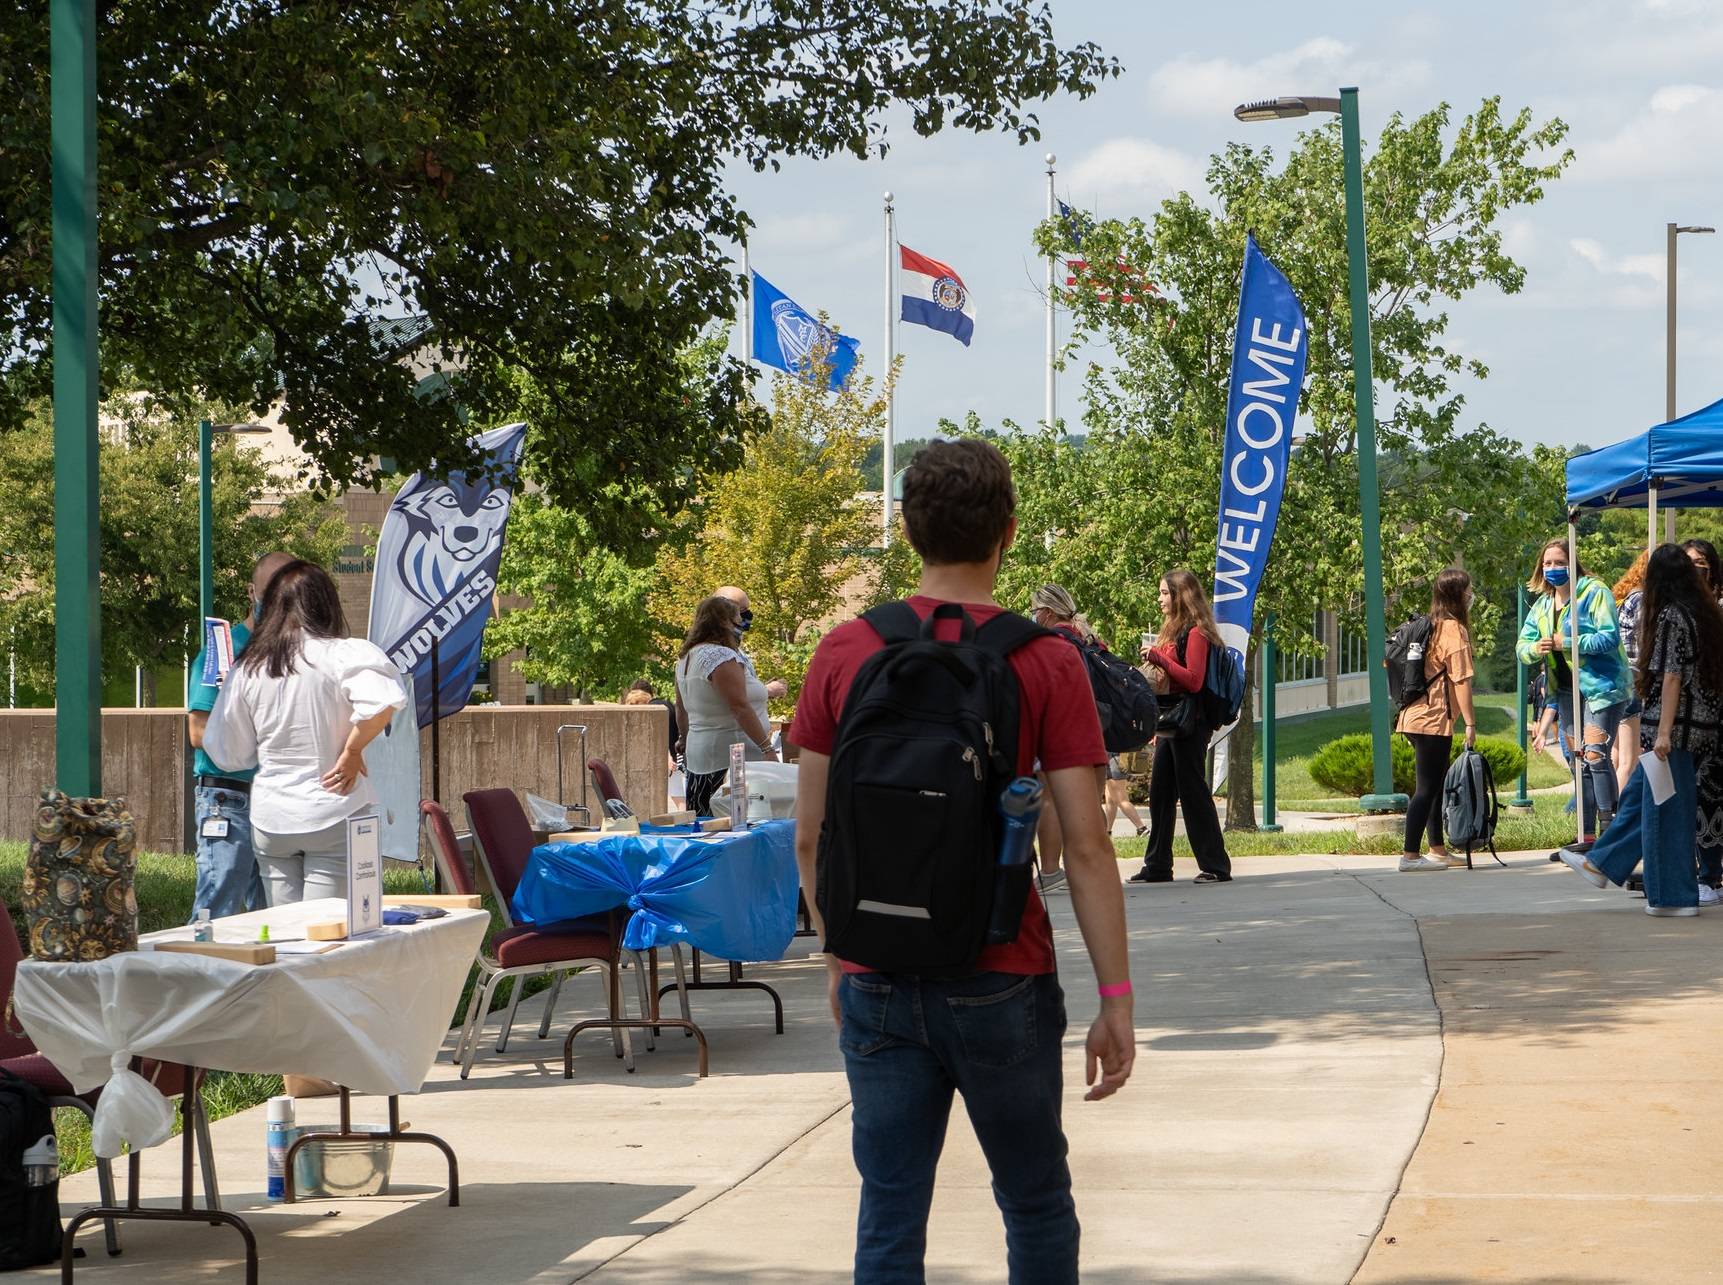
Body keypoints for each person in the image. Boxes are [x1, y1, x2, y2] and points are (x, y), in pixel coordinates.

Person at [789, 439, 1133, 1284]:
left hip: (876, 973)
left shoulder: (843, 651)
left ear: (908, 532)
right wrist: (1115, 999)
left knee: (890, 1212)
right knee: (1034, 1201)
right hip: (1001, 972)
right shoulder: (1044, 660)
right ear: (1007, 533)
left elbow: (810, 834)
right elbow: (1087, 848)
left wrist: (839, 951)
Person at [203, 561, 407, 906]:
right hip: (334, 808)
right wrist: (351, 751)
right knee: (330, 932)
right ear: (326, 602)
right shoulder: (342, 654)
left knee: (287, 934)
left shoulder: (249, 668)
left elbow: (228, 753)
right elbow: (383, 702)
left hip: (271, 816)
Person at [1560, 543, 1723, 915]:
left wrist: (1663, 732)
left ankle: (1673, 896)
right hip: (1699, 727)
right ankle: (1603, 863)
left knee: (1665, 811)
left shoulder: (1670, 617)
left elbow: (1671, 677)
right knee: (1639, 795)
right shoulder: (1705, 615)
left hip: (1671, 731)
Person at [185, 550, 294, 919]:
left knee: (272, 913)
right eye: (271, 594)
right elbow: (198, 731)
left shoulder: (293, 653)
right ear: (251, 592)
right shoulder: (222, 651)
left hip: (273, 798)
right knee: (218, 904)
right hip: (227, 796)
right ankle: (197, 972)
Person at [1516, 538, 1631, 844]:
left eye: (1559, 562)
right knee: (1577, 760)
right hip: (1564, 691)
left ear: (1573, 563)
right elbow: (1522, 647)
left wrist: (1564, 642)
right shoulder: (1542, 604)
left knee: (1595, 755)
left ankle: (1611, 832)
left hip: (1601, 688)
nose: (1553, 568)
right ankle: (1586, 836)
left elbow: (1608, 638)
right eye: (1548, 563)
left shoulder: (1594, 592)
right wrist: (1534, 647)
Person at [1127, 571, 1231, 885]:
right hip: (1170, 722)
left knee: (1193, 791)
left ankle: (1215, 865)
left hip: (1191, 723)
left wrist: (1160, 658)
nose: (1159, 599)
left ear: (1179, 595)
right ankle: (1158, 864)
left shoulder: (1197, 632)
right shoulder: (1173, 630)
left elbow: (1194, 680)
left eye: (1164, 593)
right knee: (1160, 792)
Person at [1393, 569, 1478, 872]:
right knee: (1426, 788)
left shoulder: (1432, 625)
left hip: (1414, 716)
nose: (1471, 594)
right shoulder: (1453, 630)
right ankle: (1410, 856)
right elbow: (1461, 680)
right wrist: (1470, 722)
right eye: (1468, 590)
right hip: (1431, 719)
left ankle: (1437, 850)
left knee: (1436, 786)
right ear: (1458, 595)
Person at [674, 595, 777, 817]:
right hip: (730, 762)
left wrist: (684, 738)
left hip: (700, 758)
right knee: (733, 827)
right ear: (724, 622)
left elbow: (681, 710)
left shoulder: (685, 659)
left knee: (706, 828)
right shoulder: (721, 656)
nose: (741, 625)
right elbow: (740, 706)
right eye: (738, 619)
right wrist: (767, 748)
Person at [1026, 583, 1100, 891]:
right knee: (1088, 802)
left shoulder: (1053, 640)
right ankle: (1090, 868)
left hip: (1059, 726)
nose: (1031, 616)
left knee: (1048, 800)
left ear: (1045, 612)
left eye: (1033, 611)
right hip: (1092, 726)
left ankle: (1052, 869)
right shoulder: (1086, 635)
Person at [1679, 541, 1723, 900]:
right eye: (1690, 563)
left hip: (1716, 719)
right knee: (1698, 799)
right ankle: (1705, 873)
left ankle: (1710, 875)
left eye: (1703, 563)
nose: (1697, 569)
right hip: (1692, 724)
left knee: (1711, 795)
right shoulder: (1678, 611)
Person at [1613, 551, 1649, 793]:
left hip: (1617, 680)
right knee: (1629, 760)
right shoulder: (1641, 600)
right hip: (1633, 681)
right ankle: (1619, 819)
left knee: (1616, 757)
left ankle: (1608, 811)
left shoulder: (1625, 597)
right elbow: (1645, 644)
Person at [1103, 757, 1148, 837]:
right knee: (1110, 800)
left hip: (1113, 760)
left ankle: (1142, 828)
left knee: (1121, 800)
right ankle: (1107, 831)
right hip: (1116, 760)